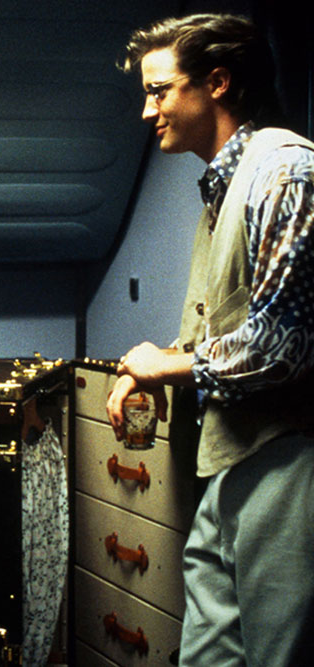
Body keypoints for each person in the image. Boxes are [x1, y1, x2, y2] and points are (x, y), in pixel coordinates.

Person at [106, 14, 314, 666]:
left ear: (217, 82)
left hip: (287, 459)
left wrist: (167, 368)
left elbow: (282, 344)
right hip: (230, 460)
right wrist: (156, 363)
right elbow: (224, 323)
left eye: (159, 91)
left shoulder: (284, 171)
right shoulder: (223, 185)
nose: (148, 112)